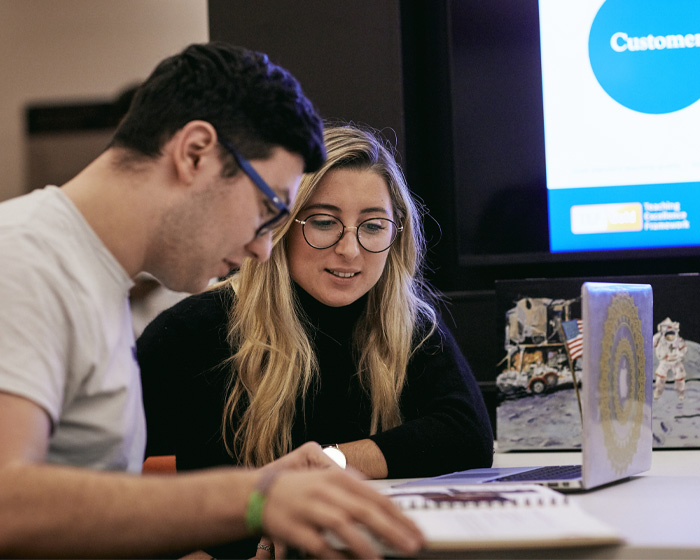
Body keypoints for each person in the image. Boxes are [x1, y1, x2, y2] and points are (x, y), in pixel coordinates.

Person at [0, 43, 424, 559]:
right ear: (195, 152)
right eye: (268, 208)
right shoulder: (23, 262)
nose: (263, 246)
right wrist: (251, 498)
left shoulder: (93, 279)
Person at [138, 123, 494, 556]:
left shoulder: (407, 324)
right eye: (325, 223)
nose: (350, 250)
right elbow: (117, 492)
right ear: (281, 226)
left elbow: (467, 434)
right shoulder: (191, 331)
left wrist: (332, 461)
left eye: (373, 226)